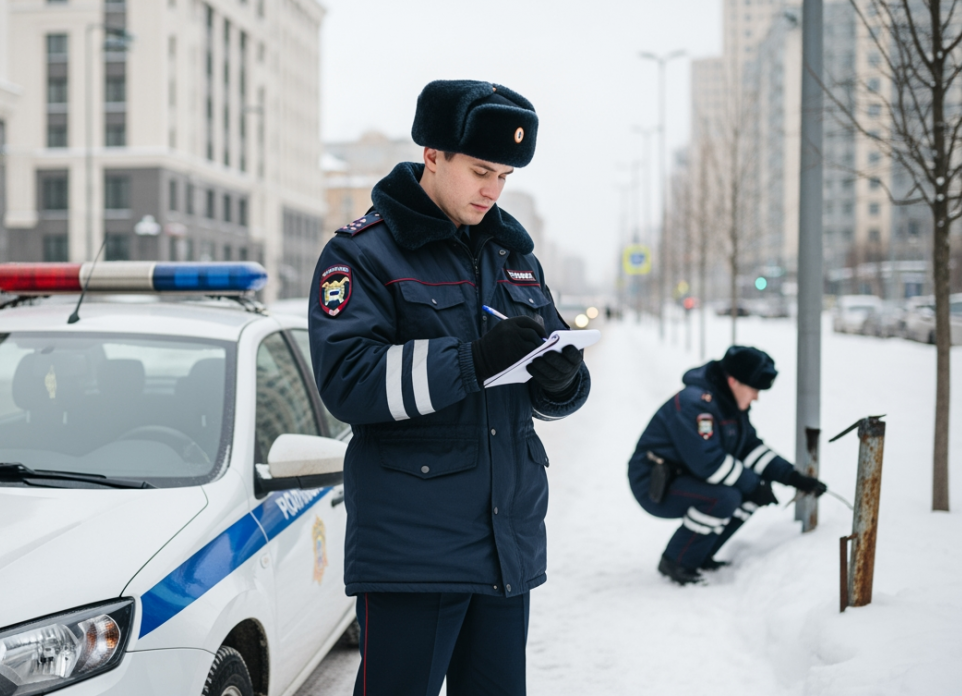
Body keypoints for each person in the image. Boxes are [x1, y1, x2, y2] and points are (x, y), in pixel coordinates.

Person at [307, 80, 590, 696]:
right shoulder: (362, 255)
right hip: (415, 550)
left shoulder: (514, 256)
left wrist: (563, 380)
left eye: (505, 176)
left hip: (505, 545)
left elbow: (550, 373)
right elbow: (347, 381)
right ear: (433, 156)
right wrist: (472, 359)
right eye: (481, 170)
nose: (493, 189)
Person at [628, 346, 828, 585]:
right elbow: (709, 463)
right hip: (654, 481)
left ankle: (699, 555)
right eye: (754, 389)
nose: (756, 396)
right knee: (725, 497)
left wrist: (793, 477)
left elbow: (749, 448)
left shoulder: (728, 404)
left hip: (683, 475)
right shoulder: (696, 404)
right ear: (733, 381)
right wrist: (754, 484)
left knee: (745, 494)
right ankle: (677, 561)